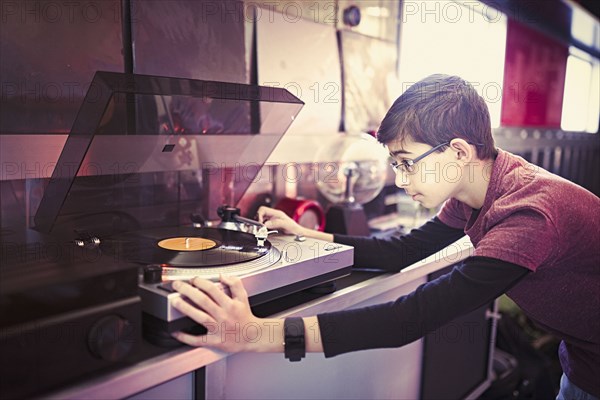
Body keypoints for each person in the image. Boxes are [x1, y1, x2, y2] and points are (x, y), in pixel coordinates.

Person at [170, 74, 600, 399]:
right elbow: (404, 251)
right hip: (581, 362)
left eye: (407, 162)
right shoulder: (477, 188)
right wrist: (311, 235)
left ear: (458, 152)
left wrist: (260, 334)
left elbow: (412, 316)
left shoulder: (526, 214)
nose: (399, 179)